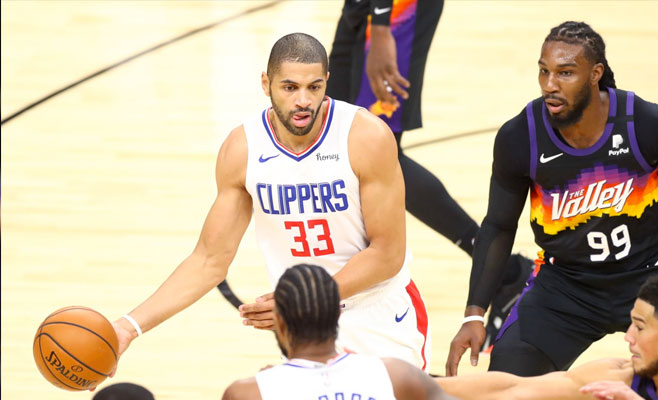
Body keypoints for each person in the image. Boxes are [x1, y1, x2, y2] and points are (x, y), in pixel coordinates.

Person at [110, 32, 431, 373]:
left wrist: (304, 301)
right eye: (290, 87)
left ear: (327, 83)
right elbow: (208, 260)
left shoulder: (365, 136)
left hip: (377, 312)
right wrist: (127, 327)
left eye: (314, 87)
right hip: (303, 327)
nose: (304, 100)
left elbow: (388, 254)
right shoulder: (243, 149)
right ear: (266, 83)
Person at [446, 20, 658, 377]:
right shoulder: (521, 137)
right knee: (508, 375)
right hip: (566, 286)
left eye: (566, 73)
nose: (550, 85)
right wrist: (474, 313)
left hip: (652, 275)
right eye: (544, 72)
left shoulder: (646, 124)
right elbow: (499, 225)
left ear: (596, 74)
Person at [325, 0, 534, 350]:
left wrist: (380, 27)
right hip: (367, 8)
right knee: (337, 130)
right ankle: (503, 270)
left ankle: (504, 271)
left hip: (394, 9)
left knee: (376, 150)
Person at [437, 271, 658, 400]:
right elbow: (517, 388)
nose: (628, 337)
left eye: (640, 327)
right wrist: (427, 387)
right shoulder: (621, 377)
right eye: (630, 324)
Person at [222, 264, 455, 400]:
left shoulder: (250, 393)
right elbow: (491, 387)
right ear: (337, 315)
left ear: (279, 324)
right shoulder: (395, 374)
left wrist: (275, 380)